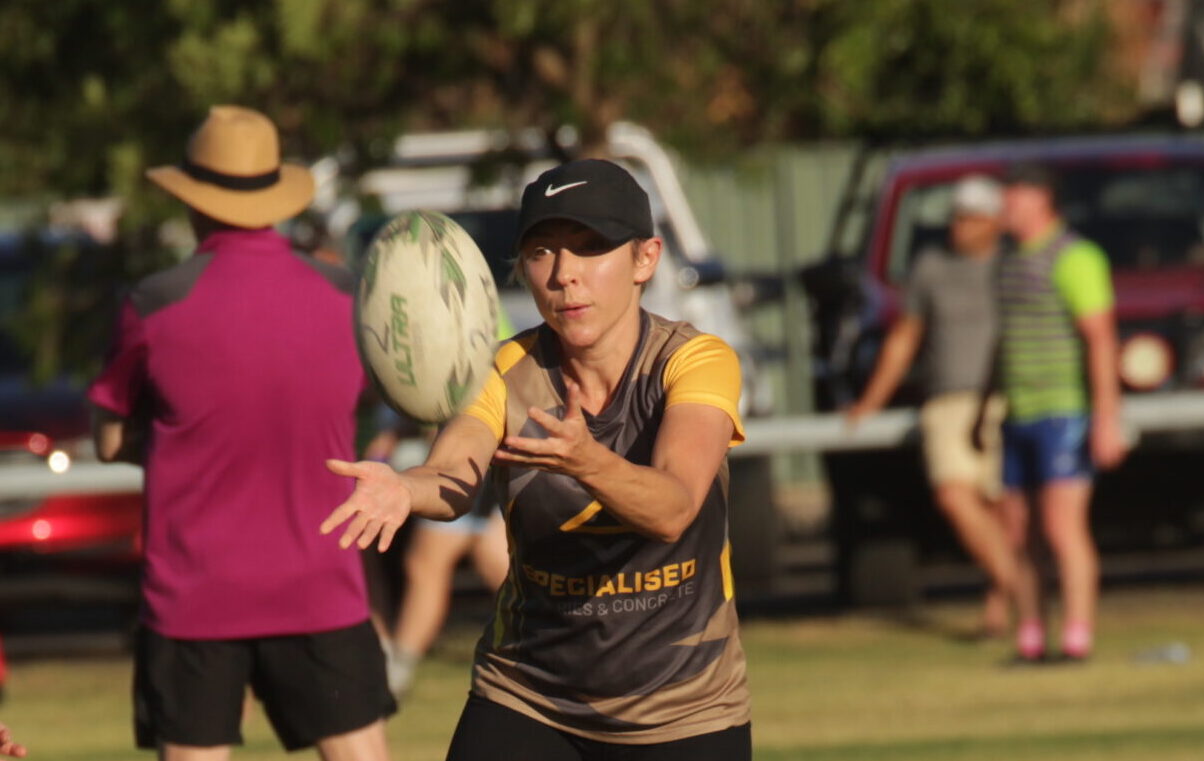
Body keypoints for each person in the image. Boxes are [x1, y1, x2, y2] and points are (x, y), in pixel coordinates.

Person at [321, 158, 752, 760]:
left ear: (645, 259)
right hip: (528, 693)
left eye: (590, 247)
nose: (565, 275)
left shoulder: (693, 361)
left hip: (682, 709)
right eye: (543, 251)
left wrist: (586, 460)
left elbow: (675, 507)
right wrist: (404, 489)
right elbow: (453, 473)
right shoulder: (501, 370)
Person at [88, 105, 394, 759]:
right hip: (321, 585)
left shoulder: (154, 302)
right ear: (273, 197)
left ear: (192, 201)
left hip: (196, 596)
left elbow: (108, 438)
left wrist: (171, 445)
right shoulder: (345, 294)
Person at [848, 175, 1017, 636]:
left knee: (1004, 507)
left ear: (995, 223)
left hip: (1004, 397)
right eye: (956, 217)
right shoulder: (931, 267)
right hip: (946, 399)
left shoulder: (1012, 265)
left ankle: (1001, 610)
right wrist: (871, 401)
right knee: (954, 495)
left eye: (970, 218)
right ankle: (1023, 589)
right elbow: (905, 338)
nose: (959, 227)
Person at [996, 162, 1127, 663]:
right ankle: (1030, 633)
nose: (1005, 204)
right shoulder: (1009, 260)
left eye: (1013, 193)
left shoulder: (1075, 257)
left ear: (1040, 197)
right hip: (1018, 411)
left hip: (1063, 411)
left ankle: (1077, 635)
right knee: (1017, 529)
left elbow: (1100, 338)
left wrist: (1106, 417)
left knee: (1061, 527)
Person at [380, 312, 515, 698]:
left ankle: (396, 673)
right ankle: (560, 641)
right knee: (494, 557)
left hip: (469, 454)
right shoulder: (465, 301)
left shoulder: (454, 306)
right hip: (473, 454)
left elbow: (462, 387)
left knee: (428, 563)